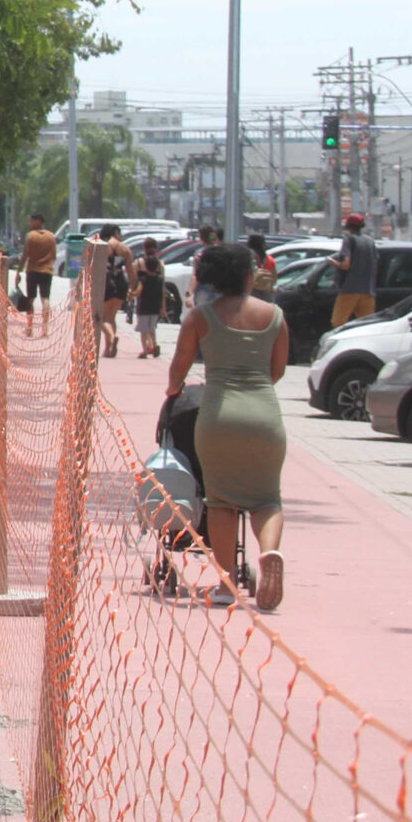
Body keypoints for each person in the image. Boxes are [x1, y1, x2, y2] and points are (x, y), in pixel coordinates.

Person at [165, 242, 291, 610]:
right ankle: (269, 552)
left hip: (218, 416)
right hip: (264, 416)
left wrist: (173, 391)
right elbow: (278, 370)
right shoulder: (275, 316)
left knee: (221, 502)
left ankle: (225, 584)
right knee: (267, 498)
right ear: (248, 276)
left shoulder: (200, 317)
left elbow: (179, 367)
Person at [330, 213, 378, 329]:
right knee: (366, 327)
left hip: (349, 290)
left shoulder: (349, 240)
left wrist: (333, 262)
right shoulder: (370, 241)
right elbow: (375, 266)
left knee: (338, 325)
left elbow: (346, 265)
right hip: (368, 290)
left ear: (348, 226)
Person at [96, 223, 132, 357]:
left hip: (107, 283)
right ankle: (108, 349)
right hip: (121, 283)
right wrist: (134, 288)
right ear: (116, 233)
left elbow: (96, 267)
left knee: (101, 318)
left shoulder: (103, 246)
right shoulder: (125, 249)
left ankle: (111, 338)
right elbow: (131, 271)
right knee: (111, 317)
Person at [20, 214, 58, 333]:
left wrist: (18, 271)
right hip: (47, 271)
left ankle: (29, 327)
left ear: (38, 221)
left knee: (30, 298)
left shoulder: (30, 236)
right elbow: (54, 255)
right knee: (45, 298)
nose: (29, 223)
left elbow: (25, 255)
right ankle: (45, 329)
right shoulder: (51, 236)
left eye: (31, 221)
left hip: (32, 270)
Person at [132, 235, 167, 357]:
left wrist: (132, 293)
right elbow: (162, 286)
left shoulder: (139, 263)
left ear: (144, 248)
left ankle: (148, 347)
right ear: (156, 248)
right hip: (155, 301)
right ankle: (153, 344)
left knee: (143, 326)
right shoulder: (160, 264)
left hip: (143, 300)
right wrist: (163, 307)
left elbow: (134, 281)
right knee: (152, 326)